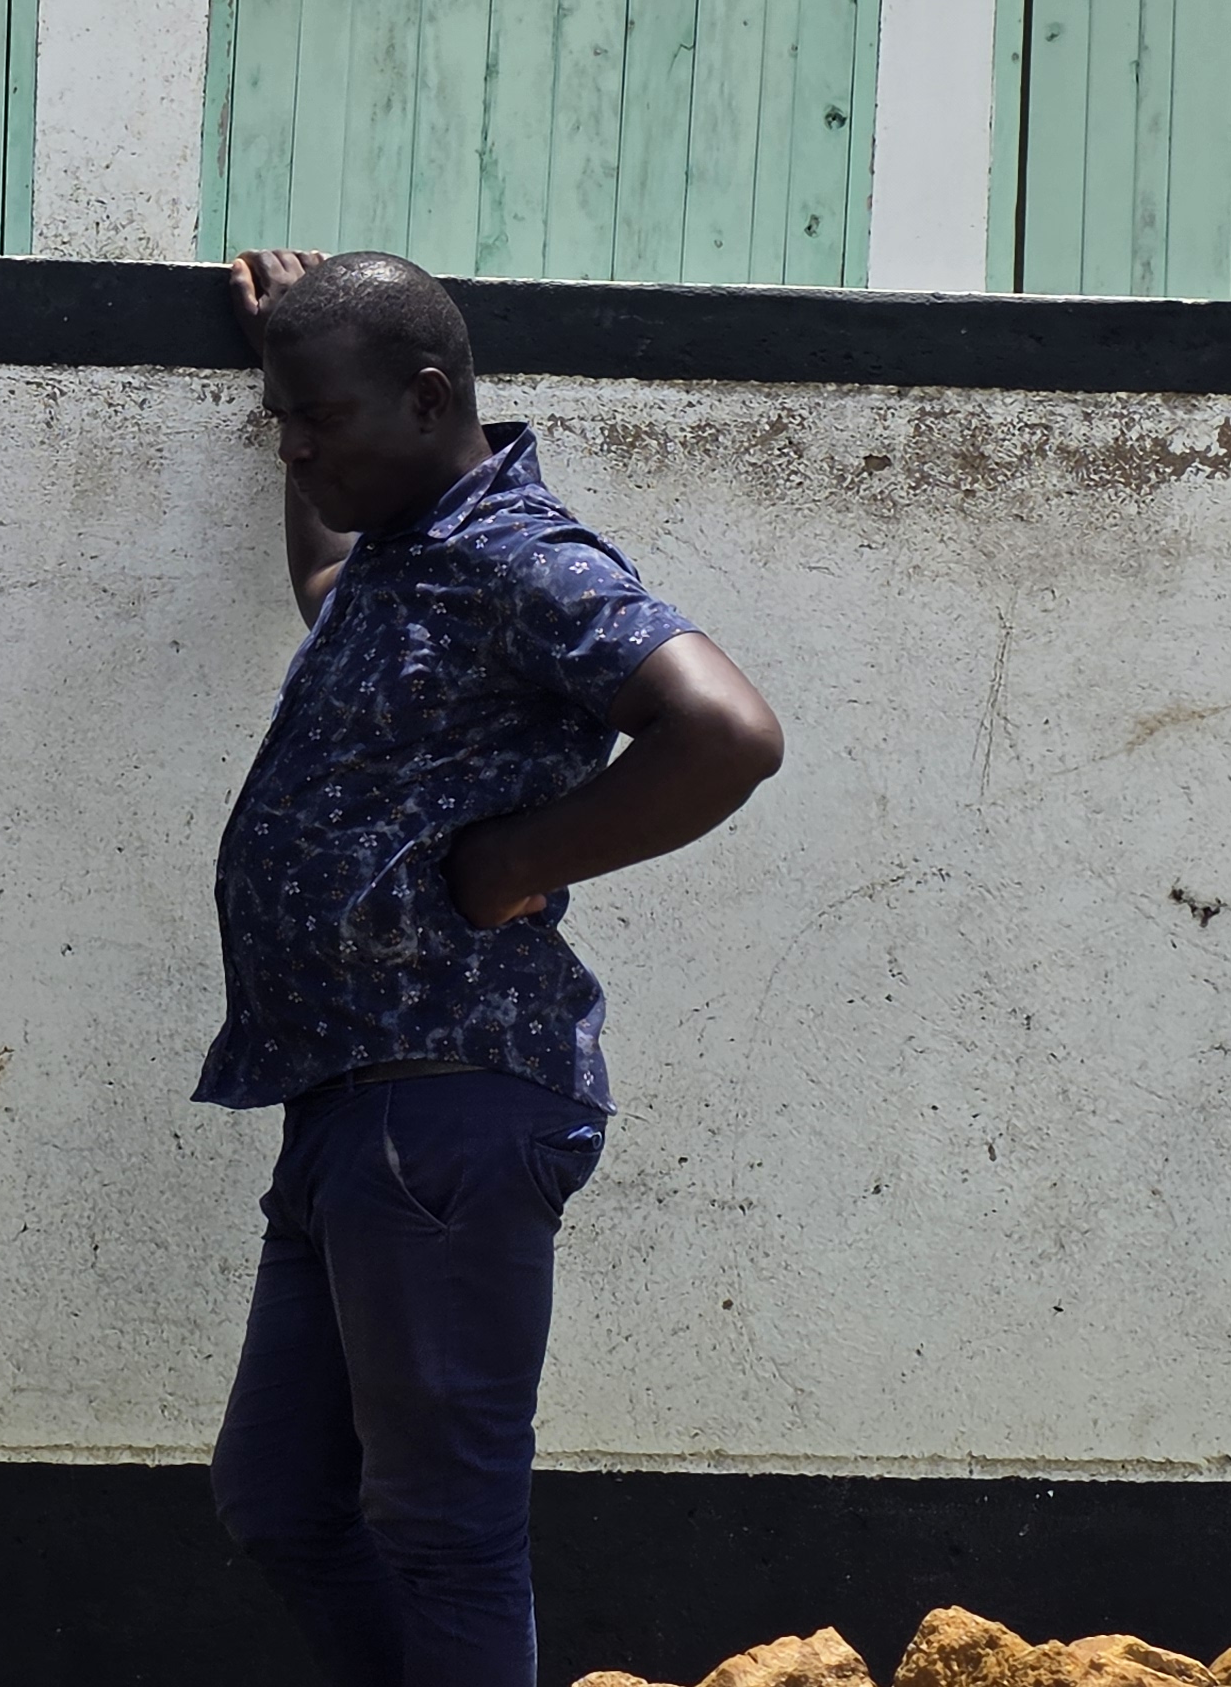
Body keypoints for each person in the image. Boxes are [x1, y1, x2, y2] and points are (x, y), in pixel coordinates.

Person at [201, 246, 786, 1687]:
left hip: (450, 1110)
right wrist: (296, 403)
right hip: (349, 1103)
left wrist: (511, 862)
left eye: (318, 419)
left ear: (426, 397)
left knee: (444, 1531)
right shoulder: (406, 557)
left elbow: (726, 731)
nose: (294, 442)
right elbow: (332, 580)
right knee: (279, 1501)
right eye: (284, 418)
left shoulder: (523, 557)